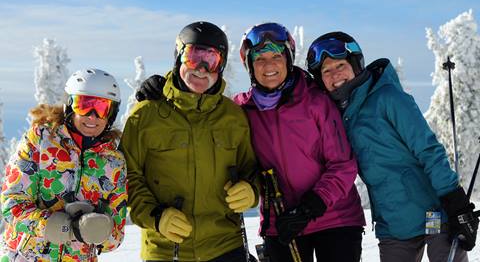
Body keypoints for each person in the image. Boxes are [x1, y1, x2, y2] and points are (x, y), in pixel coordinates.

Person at [306, 31, 479, 262]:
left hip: (433, 214)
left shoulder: (388, 98)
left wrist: (454, 199)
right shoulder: (337, 117)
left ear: (356, 64)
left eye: (340, 65)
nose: (335, 74)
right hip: (393, 225)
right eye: (326, 71)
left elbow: (427, 149)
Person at [120, 21, 258, 262]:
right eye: (194, 57)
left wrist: (252, 190)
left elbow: (252, 168)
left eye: (211, 60)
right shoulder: (145, 115)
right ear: (178, 58)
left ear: (221, 66)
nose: (202, 69)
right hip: (165, 248)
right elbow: (126, 177)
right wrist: (156, 216)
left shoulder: (233, 117)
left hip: (225, 245)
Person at [232, 22, 365, 262]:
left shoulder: (315, 101)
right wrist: (160, 94)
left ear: (288, 58)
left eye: (276, 56)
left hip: (334, 219)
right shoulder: (242, 109)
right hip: (281, 222)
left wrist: (309, 207)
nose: (269, 65)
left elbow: (343, 165)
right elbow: (205, 113)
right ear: (250, 65)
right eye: (260, 58)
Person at [1, 68, 128, 261]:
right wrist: (49, 225)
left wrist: (101, 231)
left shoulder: (114, 163)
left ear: (111, 114)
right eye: (85, 105)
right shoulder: (40, 141)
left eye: (101, 108)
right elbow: (11, 204)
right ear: (70, 105)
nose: (92, 116)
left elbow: (116, 236)